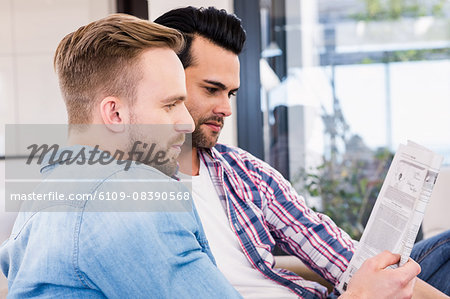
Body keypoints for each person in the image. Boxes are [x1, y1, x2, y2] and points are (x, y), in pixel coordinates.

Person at [155, 6, 450, 299]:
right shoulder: (135, 188)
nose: (227, 109)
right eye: (211, 89)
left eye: (230, 93)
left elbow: (333, 250)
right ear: (167, 79)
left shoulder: (243, 171)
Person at [0, 14, 242, 298]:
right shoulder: (133, 196)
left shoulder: (41, 200)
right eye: (171, 105)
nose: (188, 123)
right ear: (115, 114)